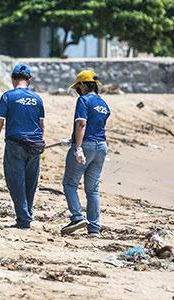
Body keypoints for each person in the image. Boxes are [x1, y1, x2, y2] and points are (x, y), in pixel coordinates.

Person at [0, 64, 45, 230]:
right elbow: (41, 124)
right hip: (35, 144)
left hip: (16, 143)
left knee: (15, 181)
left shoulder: (8, 96)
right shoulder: (37, 98)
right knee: (31, 181)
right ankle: (26, 212)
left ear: (13, 79)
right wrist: (40, 140)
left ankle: (23, 218)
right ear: (29, 80)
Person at [60, 70, 111, 238]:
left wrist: (78, 146)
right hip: (101, 146)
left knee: (70, 184)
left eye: (78, 86)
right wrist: (72, 138)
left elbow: (82, 124)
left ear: (83, 85)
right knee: (93, 190)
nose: (78, 89)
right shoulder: (103, 104)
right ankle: (94, 228)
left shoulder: (83, 100)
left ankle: (77, 217)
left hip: (86, 146)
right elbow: (96, 126)